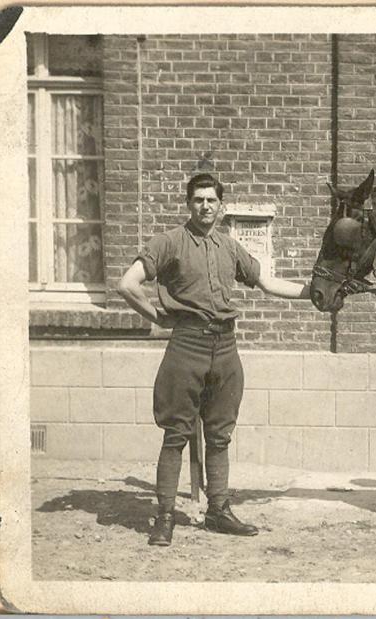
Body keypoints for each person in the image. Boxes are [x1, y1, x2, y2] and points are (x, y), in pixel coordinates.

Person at [117, 173, 310, 546]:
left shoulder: (230, 247)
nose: (205, 206)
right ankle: (166, 516)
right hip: (186, 347)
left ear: (221, 206)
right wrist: (157, 317)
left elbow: (268, 283)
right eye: (198, 200)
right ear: (188, 204)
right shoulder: (169, 243)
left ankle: (218, 511)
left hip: (225, 349)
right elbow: (127, 283)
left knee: (219, 436)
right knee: (175, 435)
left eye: (211, 200)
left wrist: (314, 296)